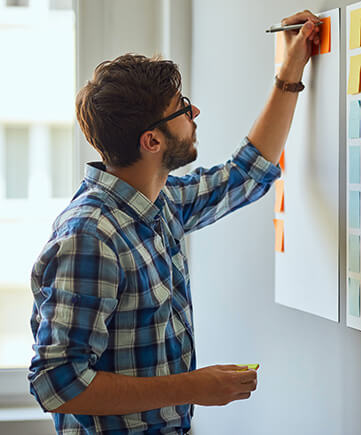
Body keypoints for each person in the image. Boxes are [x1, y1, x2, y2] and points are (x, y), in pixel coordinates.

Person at [27, 10, 321, 435]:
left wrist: (289, 74)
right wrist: (191, 387)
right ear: (152, 141)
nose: (194, 112)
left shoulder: (159, 204)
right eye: (181, 108)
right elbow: (57, 383)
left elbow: (246, 173)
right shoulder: (90, 237)